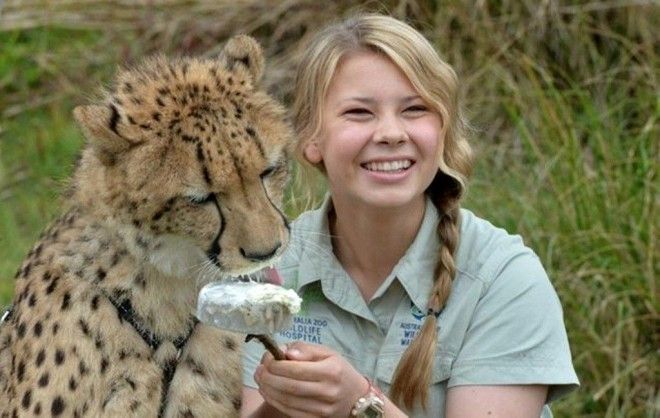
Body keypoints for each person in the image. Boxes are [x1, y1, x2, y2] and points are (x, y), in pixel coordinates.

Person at [240, 13, 579, 418]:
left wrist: (360, 403)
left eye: (415, 109)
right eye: (359, 113)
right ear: (311, 138)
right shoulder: (264, 276)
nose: (390, 133)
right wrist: (282, 404)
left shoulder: (503, 279)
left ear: (443, 131)